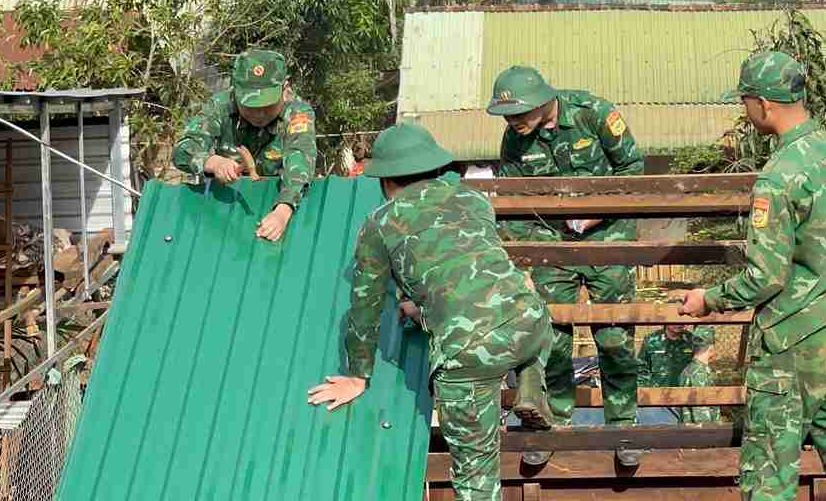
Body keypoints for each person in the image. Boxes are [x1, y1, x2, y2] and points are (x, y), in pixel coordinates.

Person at [306, 124, 554, 501]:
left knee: (477, 478)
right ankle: (531, 382)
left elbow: (365, 308)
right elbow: (467, 276)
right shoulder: (473, 200)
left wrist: (358, 375)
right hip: (528, 319)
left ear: (386, 180)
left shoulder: (380, 224)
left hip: (468, 354)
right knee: (529, 305)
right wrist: (421, 310)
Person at [680, 51, 826, 501]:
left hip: (788, 344)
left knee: (769, 478)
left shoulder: (777, 177)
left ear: (763, 104)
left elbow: (766, 277)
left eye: (745, 101)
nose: (745, 110)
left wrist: (708, 298)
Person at [485, 65, 643, 467]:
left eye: (520, 113)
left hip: (609, 237)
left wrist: (595, 215)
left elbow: (633, 171)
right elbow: (517, 203)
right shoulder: (515, 141)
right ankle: (550, 426)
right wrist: (532, 256)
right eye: (508, 115)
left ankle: (623, 427)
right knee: (552, 339)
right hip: (552, 243)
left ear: (542, 100)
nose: (513, 122)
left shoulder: (592, 113)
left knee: (613, 337)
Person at [172, 49, 316, 241]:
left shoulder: (298, 113)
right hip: (223, 215)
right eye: (250, 105)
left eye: (267, 106)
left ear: (285, 88)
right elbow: (182, 150)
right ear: (235, 91)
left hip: (277, 207)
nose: (259, 114)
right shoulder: (220, 106)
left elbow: (300, 160)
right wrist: (213, 162)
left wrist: (283, 210)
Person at [636, 324, 718, 424]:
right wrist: (646, 394)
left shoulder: (691, 340)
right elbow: (641, 368)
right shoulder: (651, 340)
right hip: (657, 399)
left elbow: (698, 365)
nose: (679, 324)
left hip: (683, 399)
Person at [676, 330, 718, 424]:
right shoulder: (699, 373)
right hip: (700, 433)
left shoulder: (688, 369)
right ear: (711, 347)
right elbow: (700, 411)